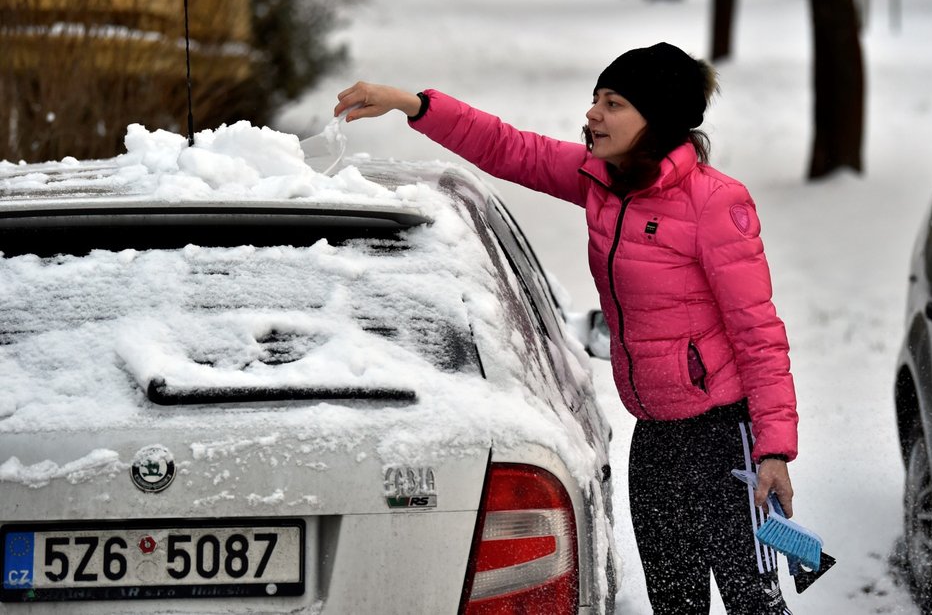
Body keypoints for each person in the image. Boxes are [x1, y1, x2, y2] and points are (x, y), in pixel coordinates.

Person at [334, 42, 798, 614]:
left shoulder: (715, 203)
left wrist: (774, 450)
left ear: (657, 120)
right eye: (595, 99)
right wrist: (410, 103)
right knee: (675, 604)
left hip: (725, 440)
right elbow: (508, 148)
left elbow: (758, 332)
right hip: (653, 436)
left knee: (754, 606)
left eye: (613, 103)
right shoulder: (601, 181)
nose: (592, 115)